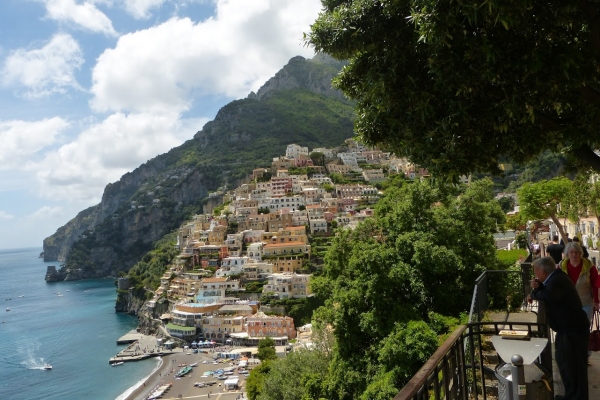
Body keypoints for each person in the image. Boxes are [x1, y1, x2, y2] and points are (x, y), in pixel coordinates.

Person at [527, 257, 589, 400]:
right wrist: (539, 287)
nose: (536, 275)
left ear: (543, 272)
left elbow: (550, 295)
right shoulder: (555, 278)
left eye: (536, 272)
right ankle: (571, 395)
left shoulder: (557, 280)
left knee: (573, 367)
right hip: (569, 330)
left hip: (573, 331)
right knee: (566, 365)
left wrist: (533, 293)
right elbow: (549, 291)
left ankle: (575, 397)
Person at [560, 242, 599, 323]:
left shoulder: (589, 267)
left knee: (584, 327)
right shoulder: (561, 267)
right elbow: (554, 283)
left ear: (580, 253)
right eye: (572, 252)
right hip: (567, 303)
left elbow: (595, 285)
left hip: (586, 302)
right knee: (570, 328)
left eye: (577, 252)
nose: (574, 254)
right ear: (567, 254)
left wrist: (596, 301)